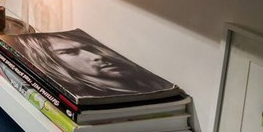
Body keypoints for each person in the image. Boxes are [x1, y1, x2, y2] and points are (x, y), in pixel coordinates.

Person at [12, 31, 169, 97]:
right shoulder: (82, 95)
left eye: (90, 48)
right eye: (70, 52)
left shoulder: (155, 85)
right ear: (49, 62)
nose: (96, 57)